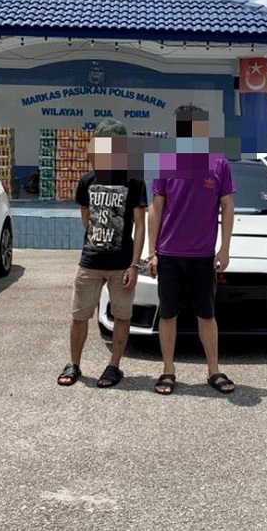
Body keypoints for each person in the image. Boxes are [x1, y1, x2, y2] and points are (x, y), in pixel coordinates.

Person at [147, 105, 236, 395]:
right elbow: (156, 208)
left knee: (206, 315)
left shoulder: (219, 163)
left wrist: (224, 250)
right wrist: (153, 252)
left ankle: (214, 370)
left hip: (203, 257)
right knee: (168, 314)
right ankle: (168, 370)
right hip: (170, 253)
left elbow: (227, 207)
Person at [58, 119, 147, 388]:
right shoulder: (88, 180)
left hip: (122, 263)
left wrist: (135, 264)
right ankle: (74, 363)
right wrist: (100, 239)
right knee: (79, 315)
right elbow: (86, 218)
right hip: (90, 261)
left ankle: (114, 366)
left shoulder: (134, 180)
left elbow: (140, 224)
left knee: (122, 315)